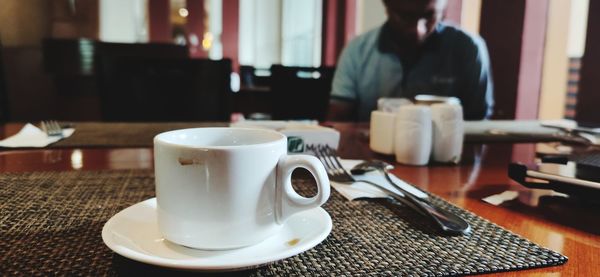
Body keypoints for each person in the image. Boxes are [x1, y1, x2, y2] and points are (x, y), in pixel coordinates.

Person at [328, 0, 494, 121]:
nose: (418, 30)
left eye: (429, 15)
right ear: (387, 6)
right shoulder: (357, 50)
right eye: (405, 16)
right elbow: (339, 118)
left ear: (443, 8)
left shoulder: (468, 48)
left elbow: (478, 119)